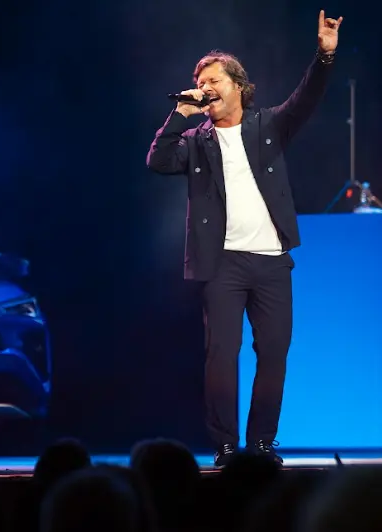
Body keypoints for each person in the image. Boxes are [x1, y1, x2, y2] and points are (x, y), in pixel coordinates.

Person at [146, 11, 342, 468]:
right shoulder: (196, 141)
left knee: (273, 353)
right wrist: (180, 113)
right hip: (222, 264)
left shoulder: (267, 126)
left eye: (214, 80)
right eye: (200, 83)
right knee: (221, 355)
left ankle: (261, 444)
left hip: (271, 260)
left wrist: (325, 56)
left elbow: (307, 97)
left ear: (237, 85)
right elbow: (157, 160)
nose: (205, 88)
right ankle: (227, 445)